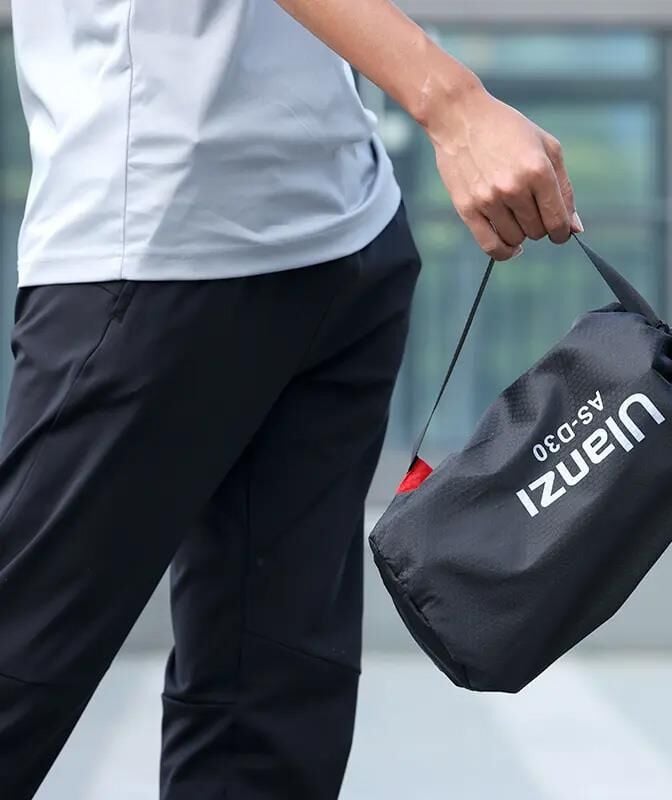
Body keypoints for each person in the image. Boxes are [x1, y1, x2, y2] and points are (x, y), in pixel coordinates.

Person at [1, 1, 580, 797]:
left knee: (268, 731)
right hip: (159, 236)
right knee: (19, 656)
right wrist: (454, 104)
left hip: (344, 235)